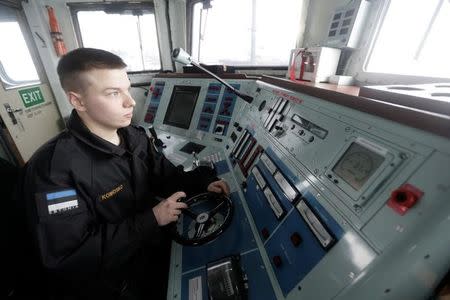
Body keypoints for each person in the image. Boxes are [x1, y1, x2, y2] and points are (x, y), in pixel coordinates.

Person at [20, 47, 230, 299]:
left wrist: (203, 182)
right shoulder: (53, 171)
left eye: (127, 89)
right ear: (78, 100)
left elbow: (166, 176)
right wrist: (151, 219)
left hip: (149, 247)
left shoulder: (133, 137)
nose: (130, 101)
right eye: (113, 93)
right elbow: (69, 255)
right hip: (113, 282)